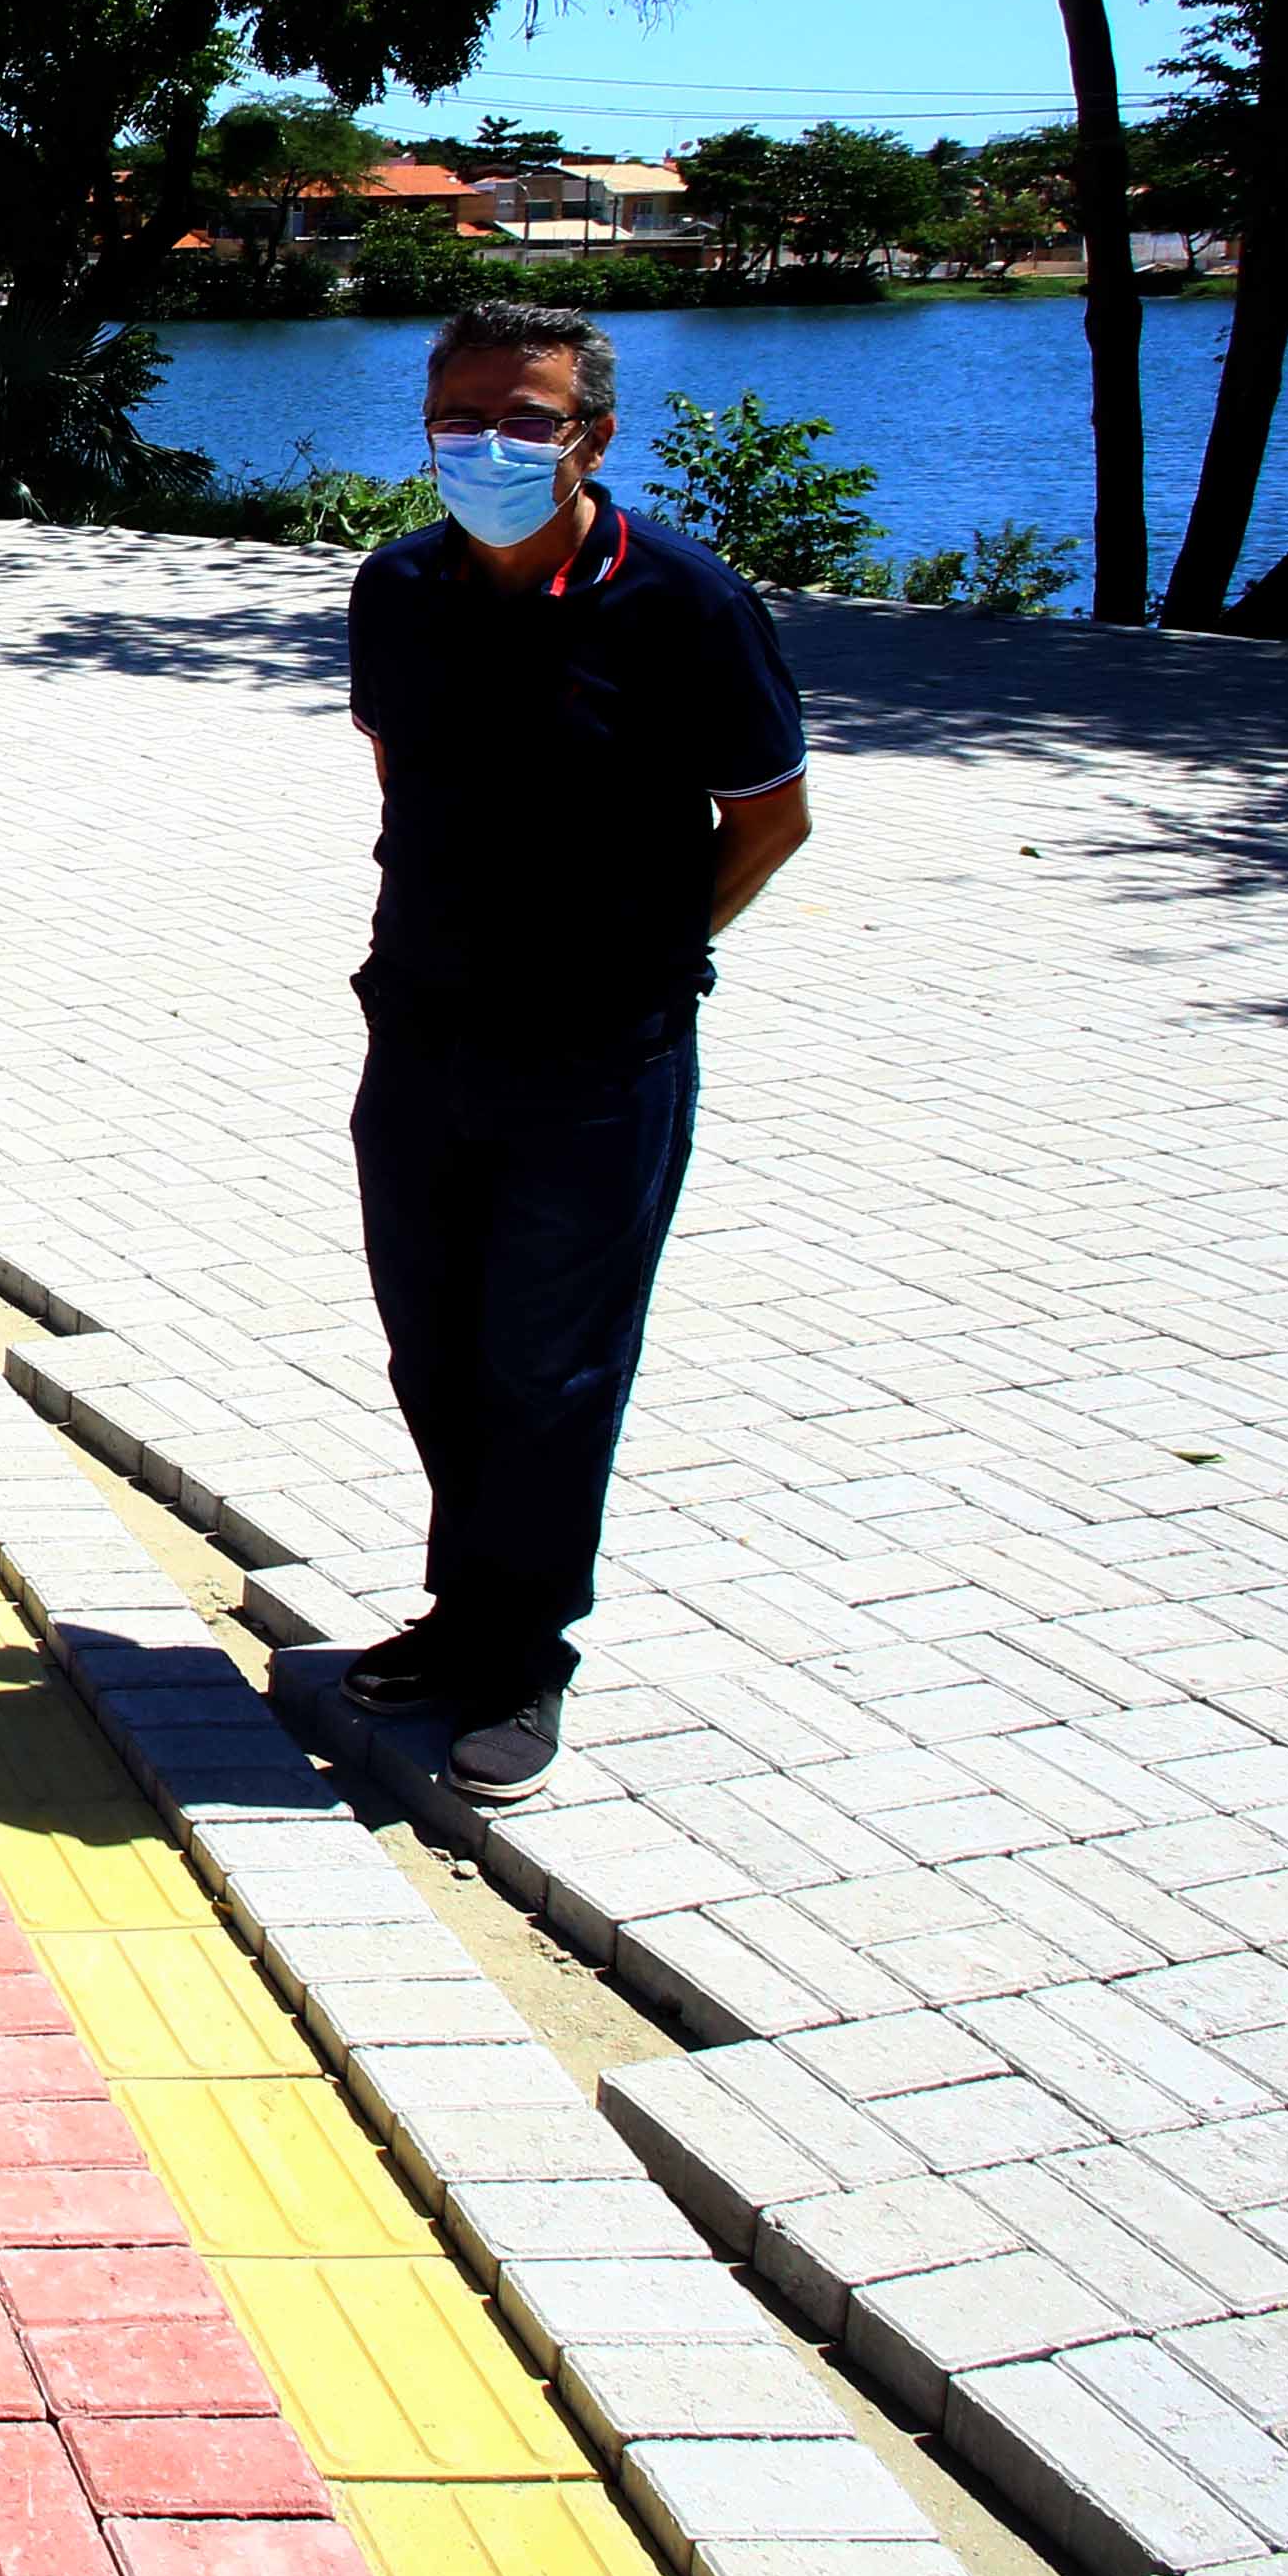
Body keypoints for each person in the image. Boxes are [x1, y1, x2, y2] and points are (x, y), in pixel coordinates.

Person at [337, 303, 810, 1805]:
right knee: (434, 1342)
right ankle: (464, 1609)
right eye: (461, 413)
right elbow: (399, 771)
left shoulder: (685, 600)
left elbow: (772, 817)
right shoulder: (398, 589)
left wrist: (656, 948)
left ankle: (526, 1653)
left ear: (592, 436)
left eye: (527, 416)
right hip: (419, 1025)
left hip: (601, 1053)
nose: (490, 441)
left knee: (550, 1361)